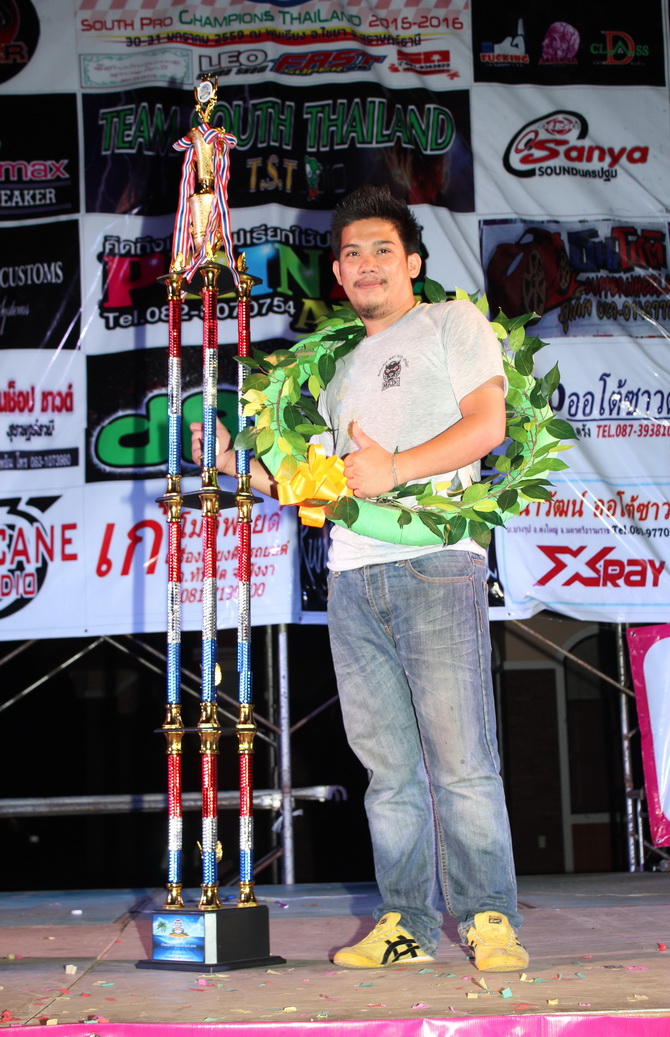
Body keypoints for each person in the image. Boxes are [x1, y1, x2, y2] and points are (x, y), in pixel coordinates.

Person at [192, 185, 528, 973]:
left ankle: (489, 917)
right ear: (337, 275)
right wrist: (235, 466)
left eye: (382, 249)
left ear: (412, 262)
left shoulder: (451, 323)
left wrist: (395, 468)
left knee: (461, 759)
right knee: (386, 770)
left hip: (437, 562)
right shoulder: (334, 364)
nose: (365, 263)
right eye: (351, 254)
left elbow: (487, 425)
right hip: (349, 577)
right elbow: (319, 486)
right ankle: (404, 922)